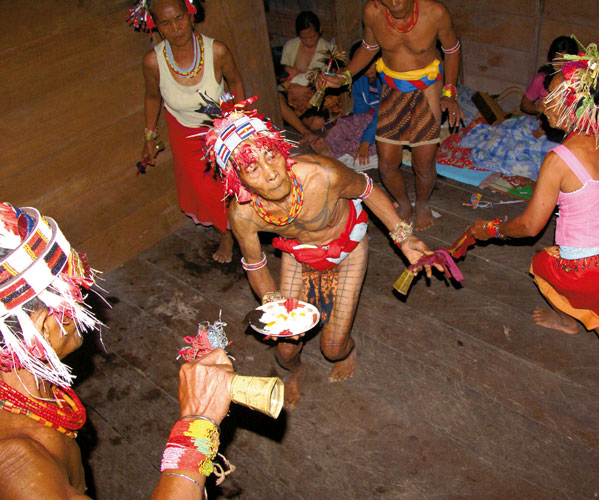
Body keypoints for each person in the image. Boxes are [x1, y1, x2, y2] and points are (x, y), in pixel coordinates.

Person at [201, 98, 442, 408]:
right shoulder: (243, 215)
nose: (271, 173)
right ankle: (296, 373)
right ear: (238, 181)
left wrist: (404, 238)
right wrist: (273, 306)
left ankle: (349, 351)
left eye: (271, 155)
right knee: (286, 349)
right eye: (252, 168)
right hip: (298, 254)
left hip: (347, 247)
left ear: (281, 150)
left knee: (333, 347)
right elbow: (255, 264)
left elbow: (367, 190)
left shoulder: (322, 174)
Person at [0, 201, 237, 500]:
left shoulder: (22, 395)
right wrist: (197, 426)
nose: (83, 302)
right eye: (73, 295)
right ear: (42, 327)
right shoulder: (16, 465)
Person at [469, 41, 599, 396]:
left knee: (542, 264)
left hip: (588, 266)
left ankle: (566, 318)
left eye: (549, 98)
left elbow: (530, 227)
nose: (541, 106)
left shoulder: (560, 159)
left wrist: (492, 229)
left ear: (572, 106)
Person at [324, 0, 462, 231]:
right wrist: (344, 75)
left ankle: (423, 205)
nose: (394, 2)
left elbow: (452, 50)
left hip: (427, 89)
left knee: (424, 163)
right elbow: (369, 46)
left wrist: (450, 92)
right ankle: (405, 203)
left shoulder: (435, 13)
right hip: (391, 88)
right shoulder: (373, 12)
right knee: (387, 164)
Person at [141, 0, 246, 263]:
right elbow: (153, 98)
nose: (175, 28)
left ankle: (235, 232)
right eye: (165, 23)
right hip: (183, 131)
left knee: (231, 184)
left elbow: (235, 82)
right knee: (205, 189)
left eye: (179, 18)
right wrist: (149, 136)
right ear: (157, 26)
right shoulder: (153, 61)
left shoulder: (217, 51)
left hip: (221, 125)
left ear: (191, 15)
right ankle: (228, 231)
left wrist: (239, 120)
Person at [312, 41, 382, 166]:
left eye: (372, 62)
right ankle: (331, 152)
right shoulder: (360, 80)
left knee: (371, 145)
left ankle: (334, 156)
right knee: (339, 129)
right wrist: (357, 126)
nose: (368, 68)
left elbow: (382, 112)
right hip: (366, 119)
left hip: (382, 119)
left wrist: (365, 141)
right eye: (364, 64)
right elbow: (360, 110)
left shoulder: (385, 80)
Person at [520, 36, 578, 116]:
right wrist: (540, 109)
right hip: (544, 126)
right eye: (557, 61)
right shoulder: (542, 78)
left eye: (565, 62)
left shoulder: (578, 82)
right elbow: (525, 104)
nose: (560, 66)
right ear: (551, 59)